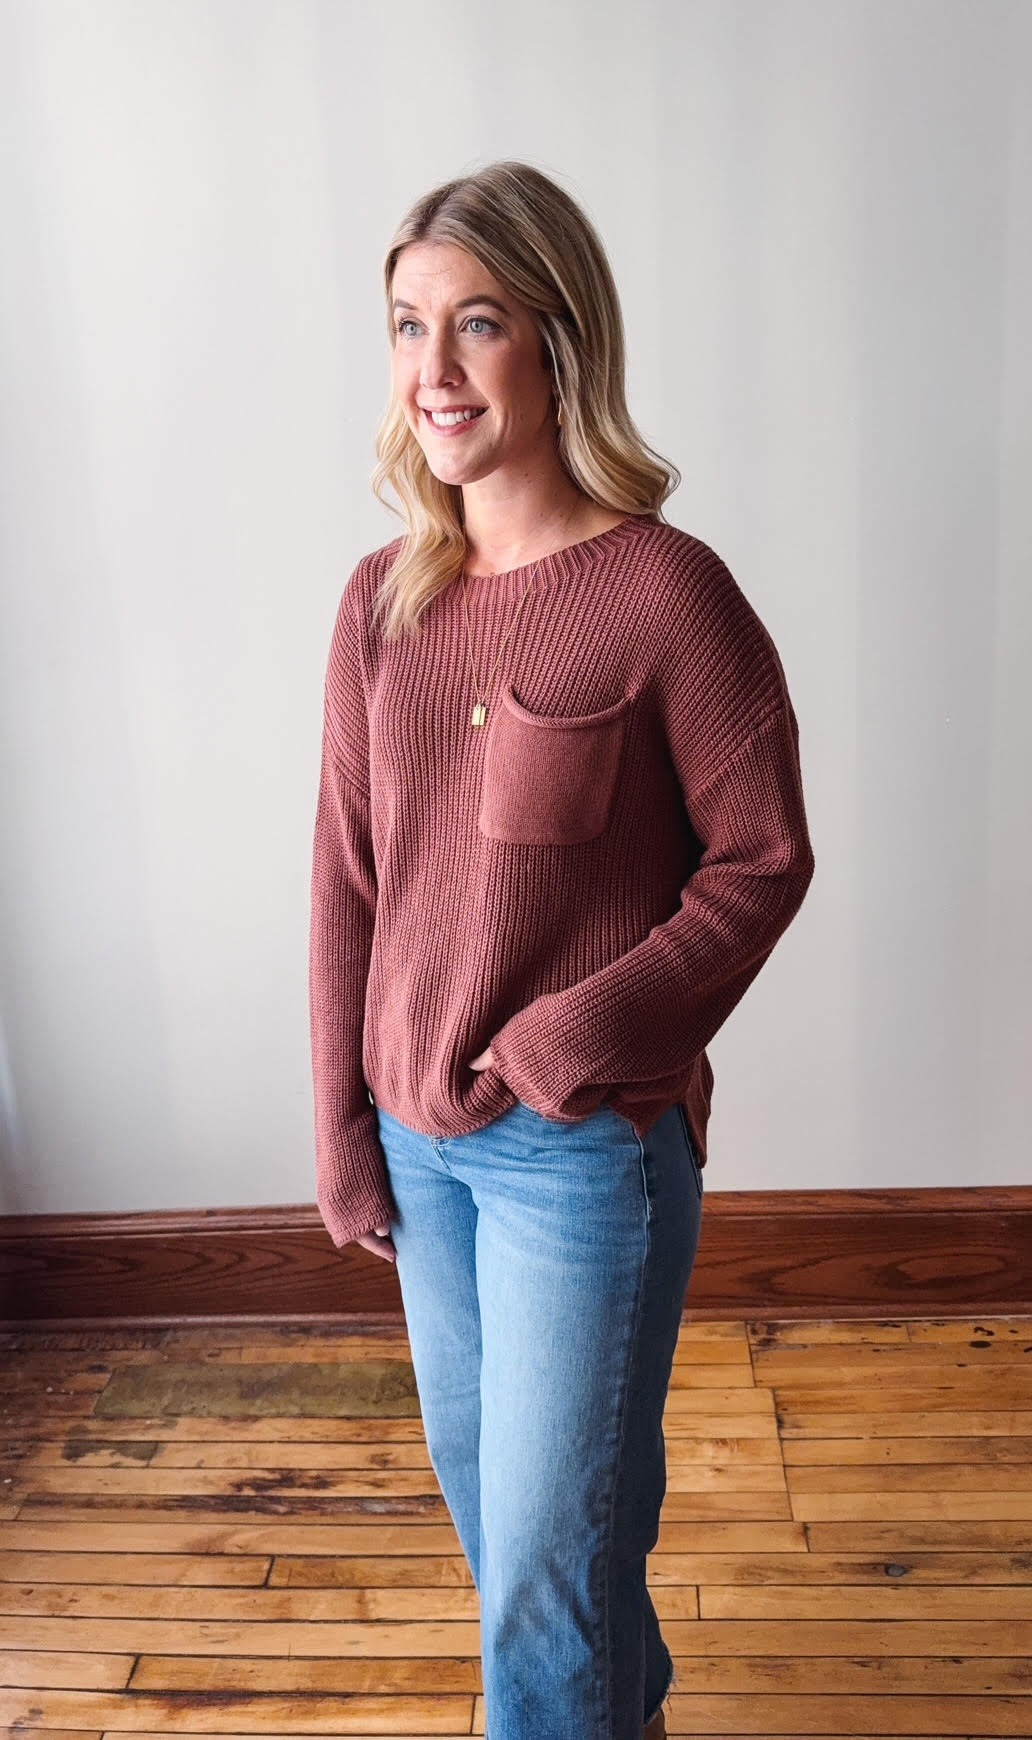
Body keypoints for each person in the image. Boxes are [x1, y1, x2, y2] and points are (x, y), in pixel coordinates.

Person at [309, 158, 815, 1740]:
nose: (433, 371)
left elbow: (762, 864)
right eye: (407, 326)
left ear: (559, 340)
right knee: (512, 1536)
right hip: (419, 1141)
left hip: (578, 1151)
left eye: (478, 325)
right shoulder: (381, 603)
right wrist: (342, 1125)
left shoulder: (670, 596)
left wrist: (566, 1043)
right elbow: (346, 884)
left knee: (546, 1560)